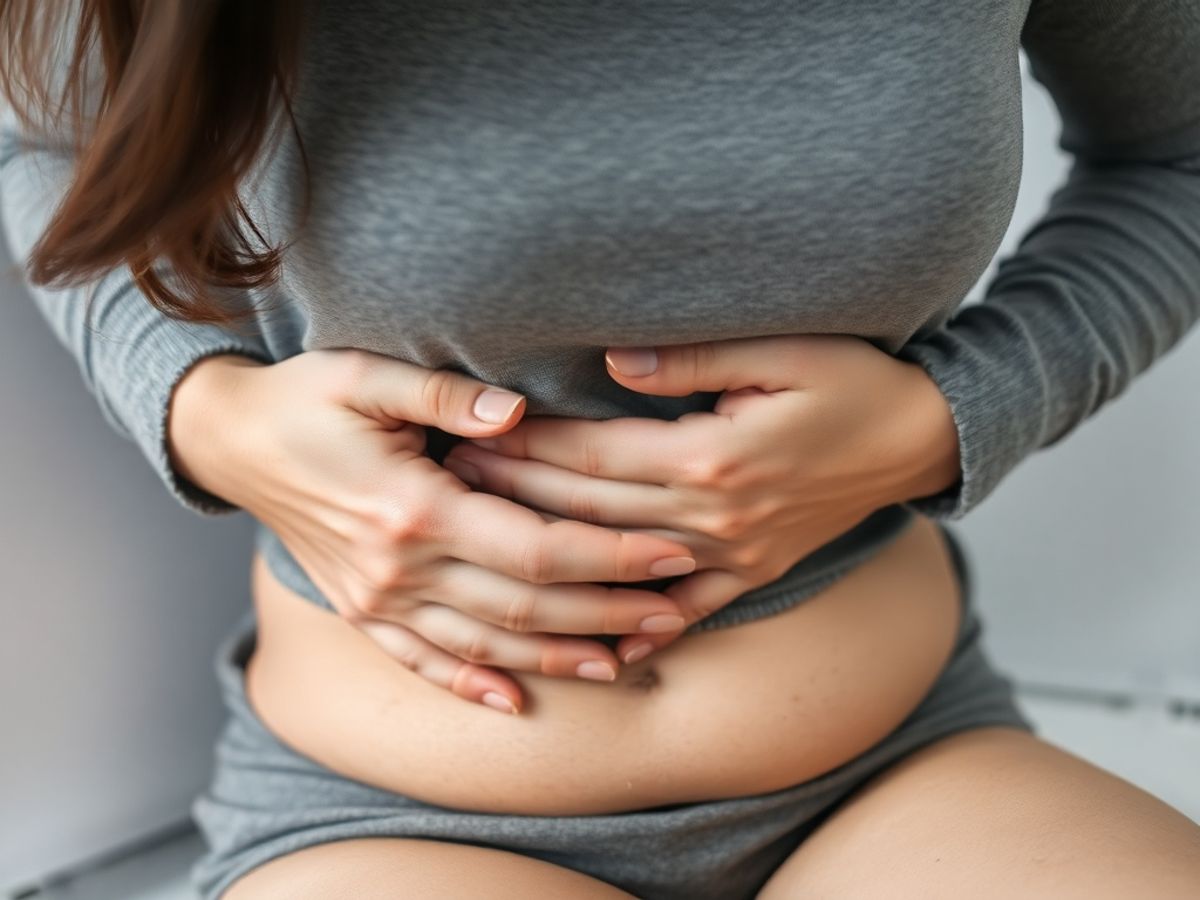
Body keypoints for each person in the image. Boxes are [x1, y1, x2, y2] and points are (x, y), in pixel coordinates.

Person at [3, 1, 1200, 897]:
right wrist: (202, 411)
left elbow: (1179, 148)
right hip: (389, 822)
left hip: (900, 769)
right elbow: (45, 142)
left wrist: (955, 411)